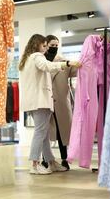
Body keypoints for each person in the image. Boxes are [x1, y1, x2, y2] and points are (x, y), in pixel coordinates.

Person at [19, 34, 81, 175]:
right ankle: (34, 165)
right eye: (45, 45)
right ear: (37, 45)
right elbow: (47, 66)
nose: (46, 48)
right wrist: (67, 63)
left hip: (34, 101)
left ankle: (51, 162)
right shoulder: (37, 57)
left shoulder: (26, 60)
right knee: (40, 133)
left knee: (44, 133)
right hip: (41, 101)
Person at [41, 35, 78, 171]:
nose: (55, 48)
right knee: (45, 132)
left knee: (62, 132)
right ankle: (45, 159)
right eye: (52, 45)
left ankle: (64, 159)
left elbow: (77, 71)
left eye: (57, 45)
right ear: (46, 45)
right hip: (45, 101)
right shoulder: (40, 61)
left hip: (61, 101)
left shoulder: (63, 61)